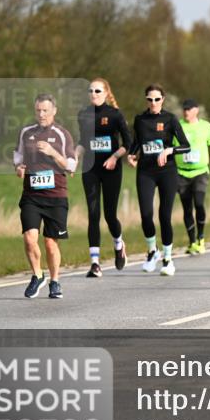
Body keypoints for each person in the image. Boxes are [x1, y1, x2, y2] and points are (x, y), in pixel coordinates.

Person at [16, 94, 77, 299]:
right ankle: (37, 275)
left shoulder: (62, 134)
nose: (41, 114)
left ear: (54, 111)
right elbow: (18, 156)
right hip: (32, 195)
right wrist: (19, 167)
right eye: (38, 110)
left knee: (51, 243)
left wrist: (52, 152)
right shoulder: (26, 132)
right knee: (29, 237)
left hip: (56, 195)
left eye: (45, 110)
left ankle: (55, 281)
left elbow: (71, 165)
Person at [127, 85, 191, 276]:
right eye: (149, 99)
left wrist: (170, 150)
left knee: (164, 216)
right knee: (146, 214)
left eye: (156, 99)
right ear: (146, 100)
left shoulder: (170, 119)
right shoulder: (140, 119)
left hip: (167, 172)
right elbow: (136, 142)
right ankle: (152, 252)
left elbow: (186, 146)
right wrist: (131, 155)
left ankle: (168, 259)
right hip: (146, 172)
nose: (153, 103)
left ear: (162, 99)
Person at [75, 78, 131, 278]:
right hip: (90, 169)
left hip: (111, 170)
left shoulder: (115, 115)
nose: (94, 94)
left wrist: (115, 157)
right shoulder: (83, 114)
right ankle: (95, 263)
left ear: (106, 92)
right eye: (90, 91)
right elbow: (83, 141)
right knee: (93, 213)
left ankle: (118, 244)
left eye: (98, 91)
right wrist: (74, 156)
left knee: (109, 215)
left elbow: (128, 142)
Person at [175, 99, 210, 255]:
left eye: (189, 109)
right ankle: (191, 242)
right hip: (181, 173)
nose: (186, 112)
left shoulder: (205, 126)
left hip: (200, 172)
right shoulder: (177, 126)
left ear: (196, 110)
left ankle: (201, 238)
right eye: (184, 109)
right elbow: (168, 147)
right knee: (187, 208)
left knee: (199, 203)